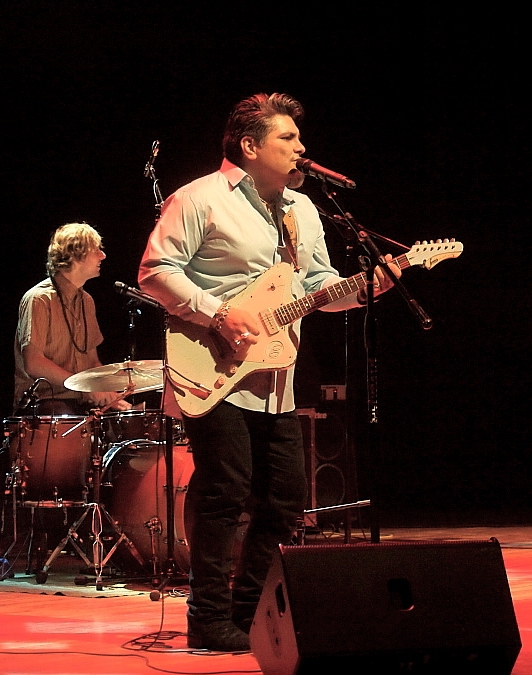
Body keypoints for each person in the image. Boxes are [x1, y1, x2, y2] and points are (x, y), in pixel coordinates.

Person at [138, 92, 399, 652]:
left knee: (284, 501)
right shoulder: (199, 198)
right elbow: (155, 271)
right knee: (224, 491)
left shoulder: (302, 209)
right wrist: (218, 312)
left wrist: (366, 288)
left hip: (275, 377)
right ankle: (207, 618)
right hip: (209, 367)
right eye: (288, 137)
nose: (301, 147)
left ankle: (246, 613)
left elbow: (318, 289)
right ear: (250, 146)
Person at [14, 222, 132, 416]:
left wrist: (107, 392)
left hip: (80, 401)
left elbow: (93, 361)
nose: (103, 255)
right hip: (44, 403)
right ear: (76, 254)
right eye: (96, 250)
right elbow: (33, 363)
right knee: (68, 418)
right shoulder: (39, 299)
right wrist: (84, 388)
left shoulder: (87, 301)